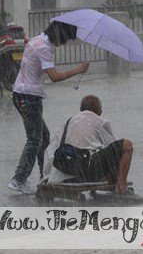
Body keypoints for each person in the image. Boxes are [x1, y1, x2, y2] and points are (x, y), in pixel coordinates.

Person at [8, 21, 89, 194]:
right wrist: (78, 69)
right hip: (28, 96)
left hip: (22, 93)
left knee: (43, 137)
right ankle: (18, 179)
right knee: (35, 140)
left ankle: (44, 176)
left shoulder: (39, 40)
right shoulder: (45, 47)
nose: (64, 43)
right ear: (60, 34)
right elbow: (54, 77)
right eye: (65, 39)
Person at [44, 95, 135, 195]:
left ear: (80, 109)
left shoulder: (69, 121)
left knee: (95, 153)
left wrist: (48, 176)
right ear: (100, 112)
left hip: (68, 166)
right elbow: (112, 148)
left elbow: (51, 149)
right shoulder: (100, 122)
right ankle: (121, 187)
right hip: (86, 167)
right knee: (126, 145)